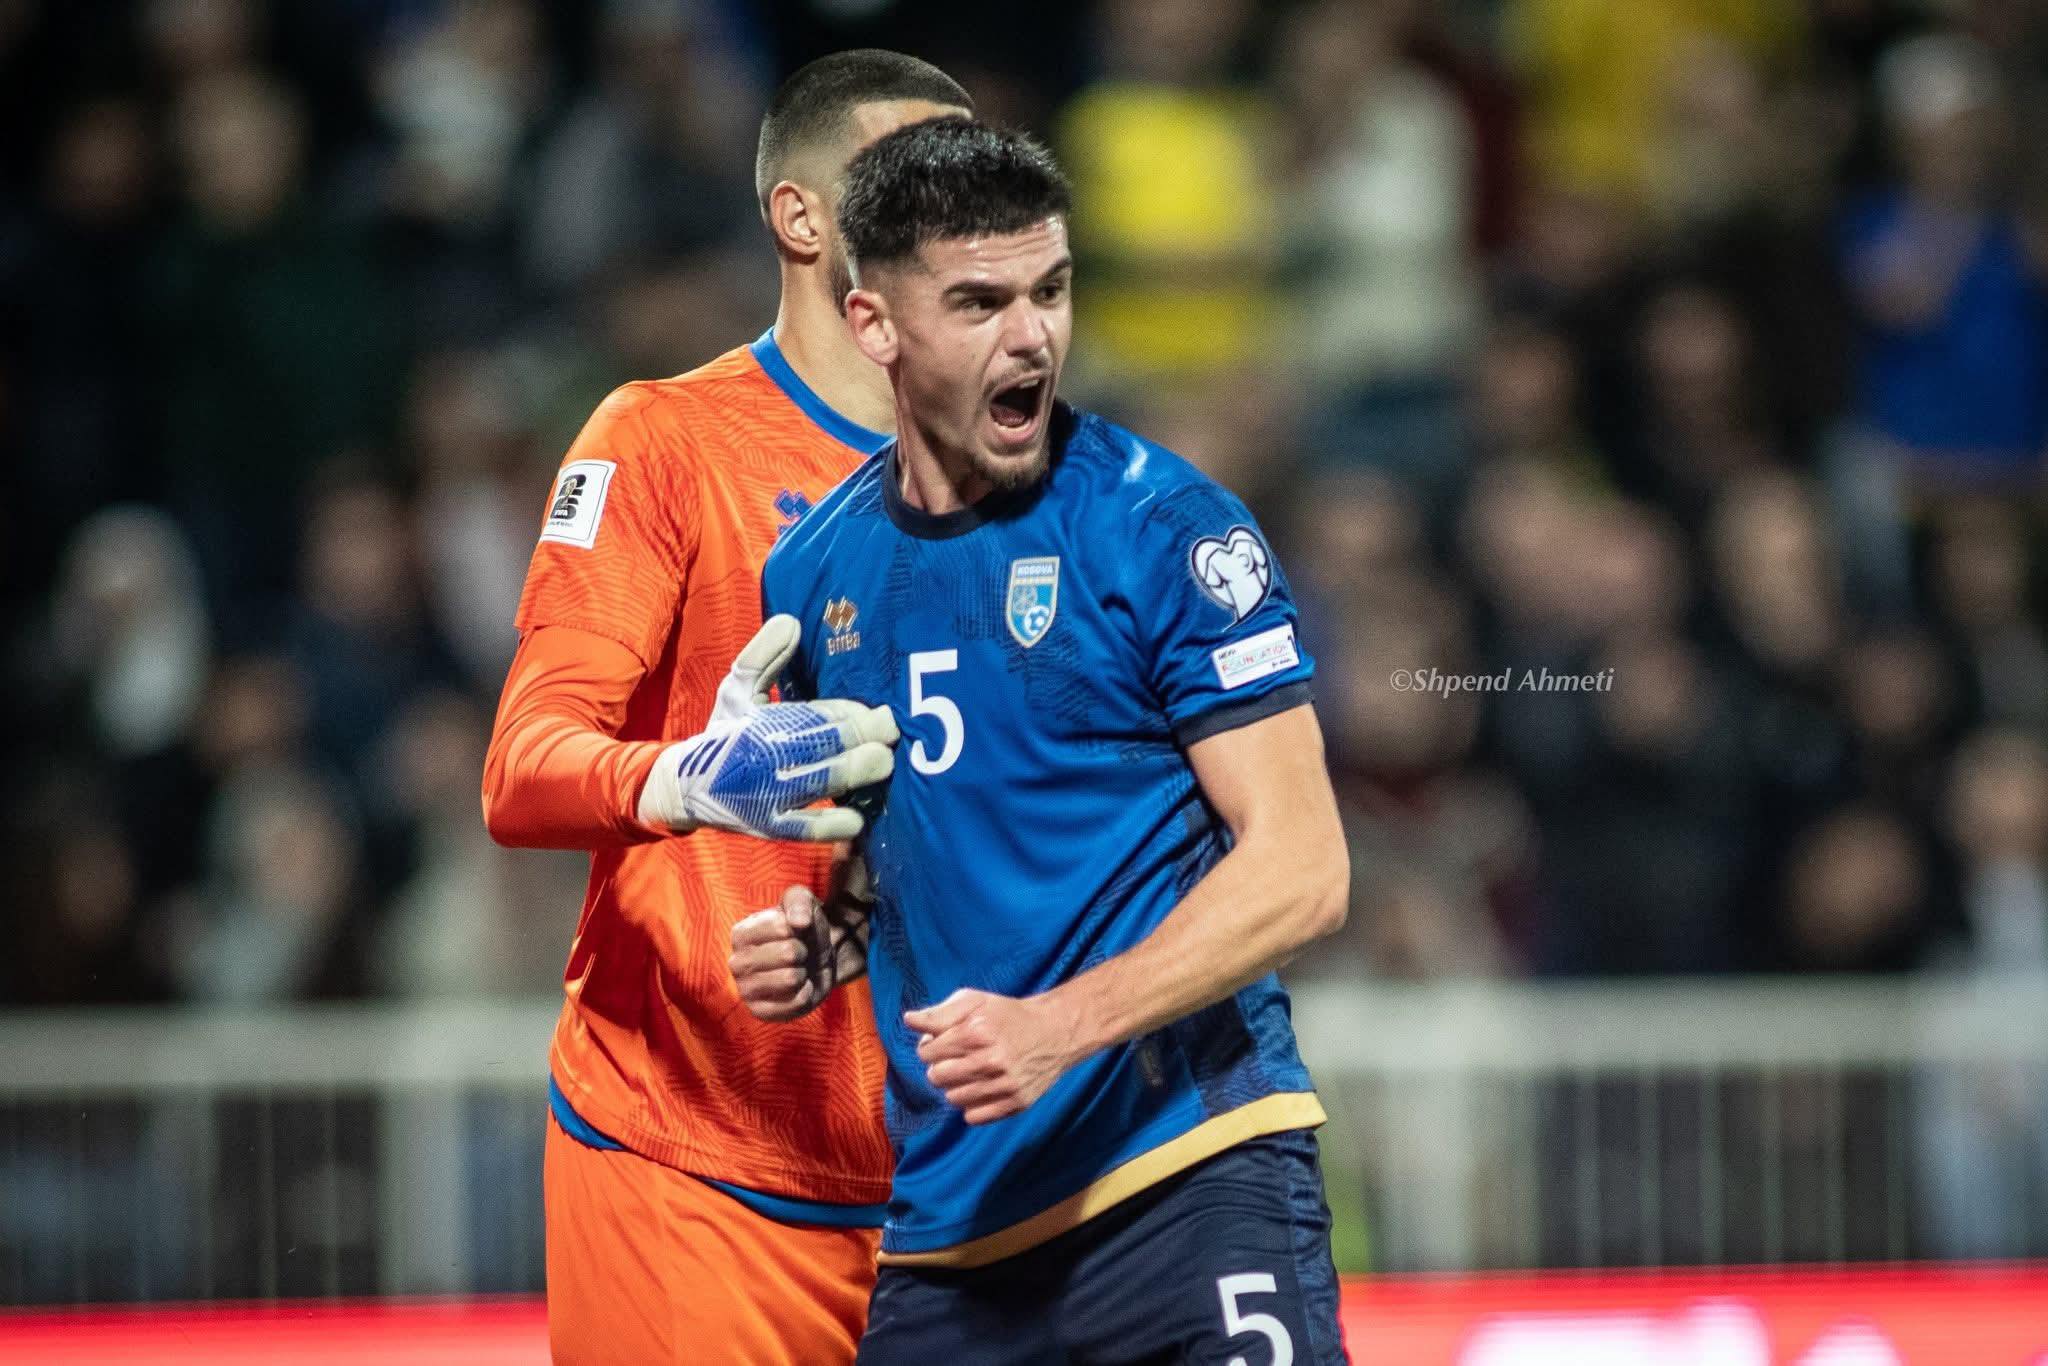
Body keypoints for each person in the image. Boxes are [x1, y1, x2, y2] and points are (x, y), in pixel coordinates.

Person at [734, 117, 1352, 1364]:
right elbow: (921, 850)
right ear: (873, 326)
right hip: (951, 1245)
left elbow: (1303, 868)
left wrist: (1058, 1025)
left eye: (1050, 291)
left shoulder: (1162, 529)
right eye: (978, 302)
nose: (1030, 337)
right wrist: (830, 935)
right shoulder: (812, 575)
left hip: (1188, 1177)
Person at [480, 52, 971, 1366]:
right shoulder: (660, 443)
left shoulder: (1036, 484)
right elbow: (521, 769)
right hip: (693, 1171)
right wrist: (685, 778)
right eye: (913, 172)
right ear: (800, 218)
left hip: (957, 1200)